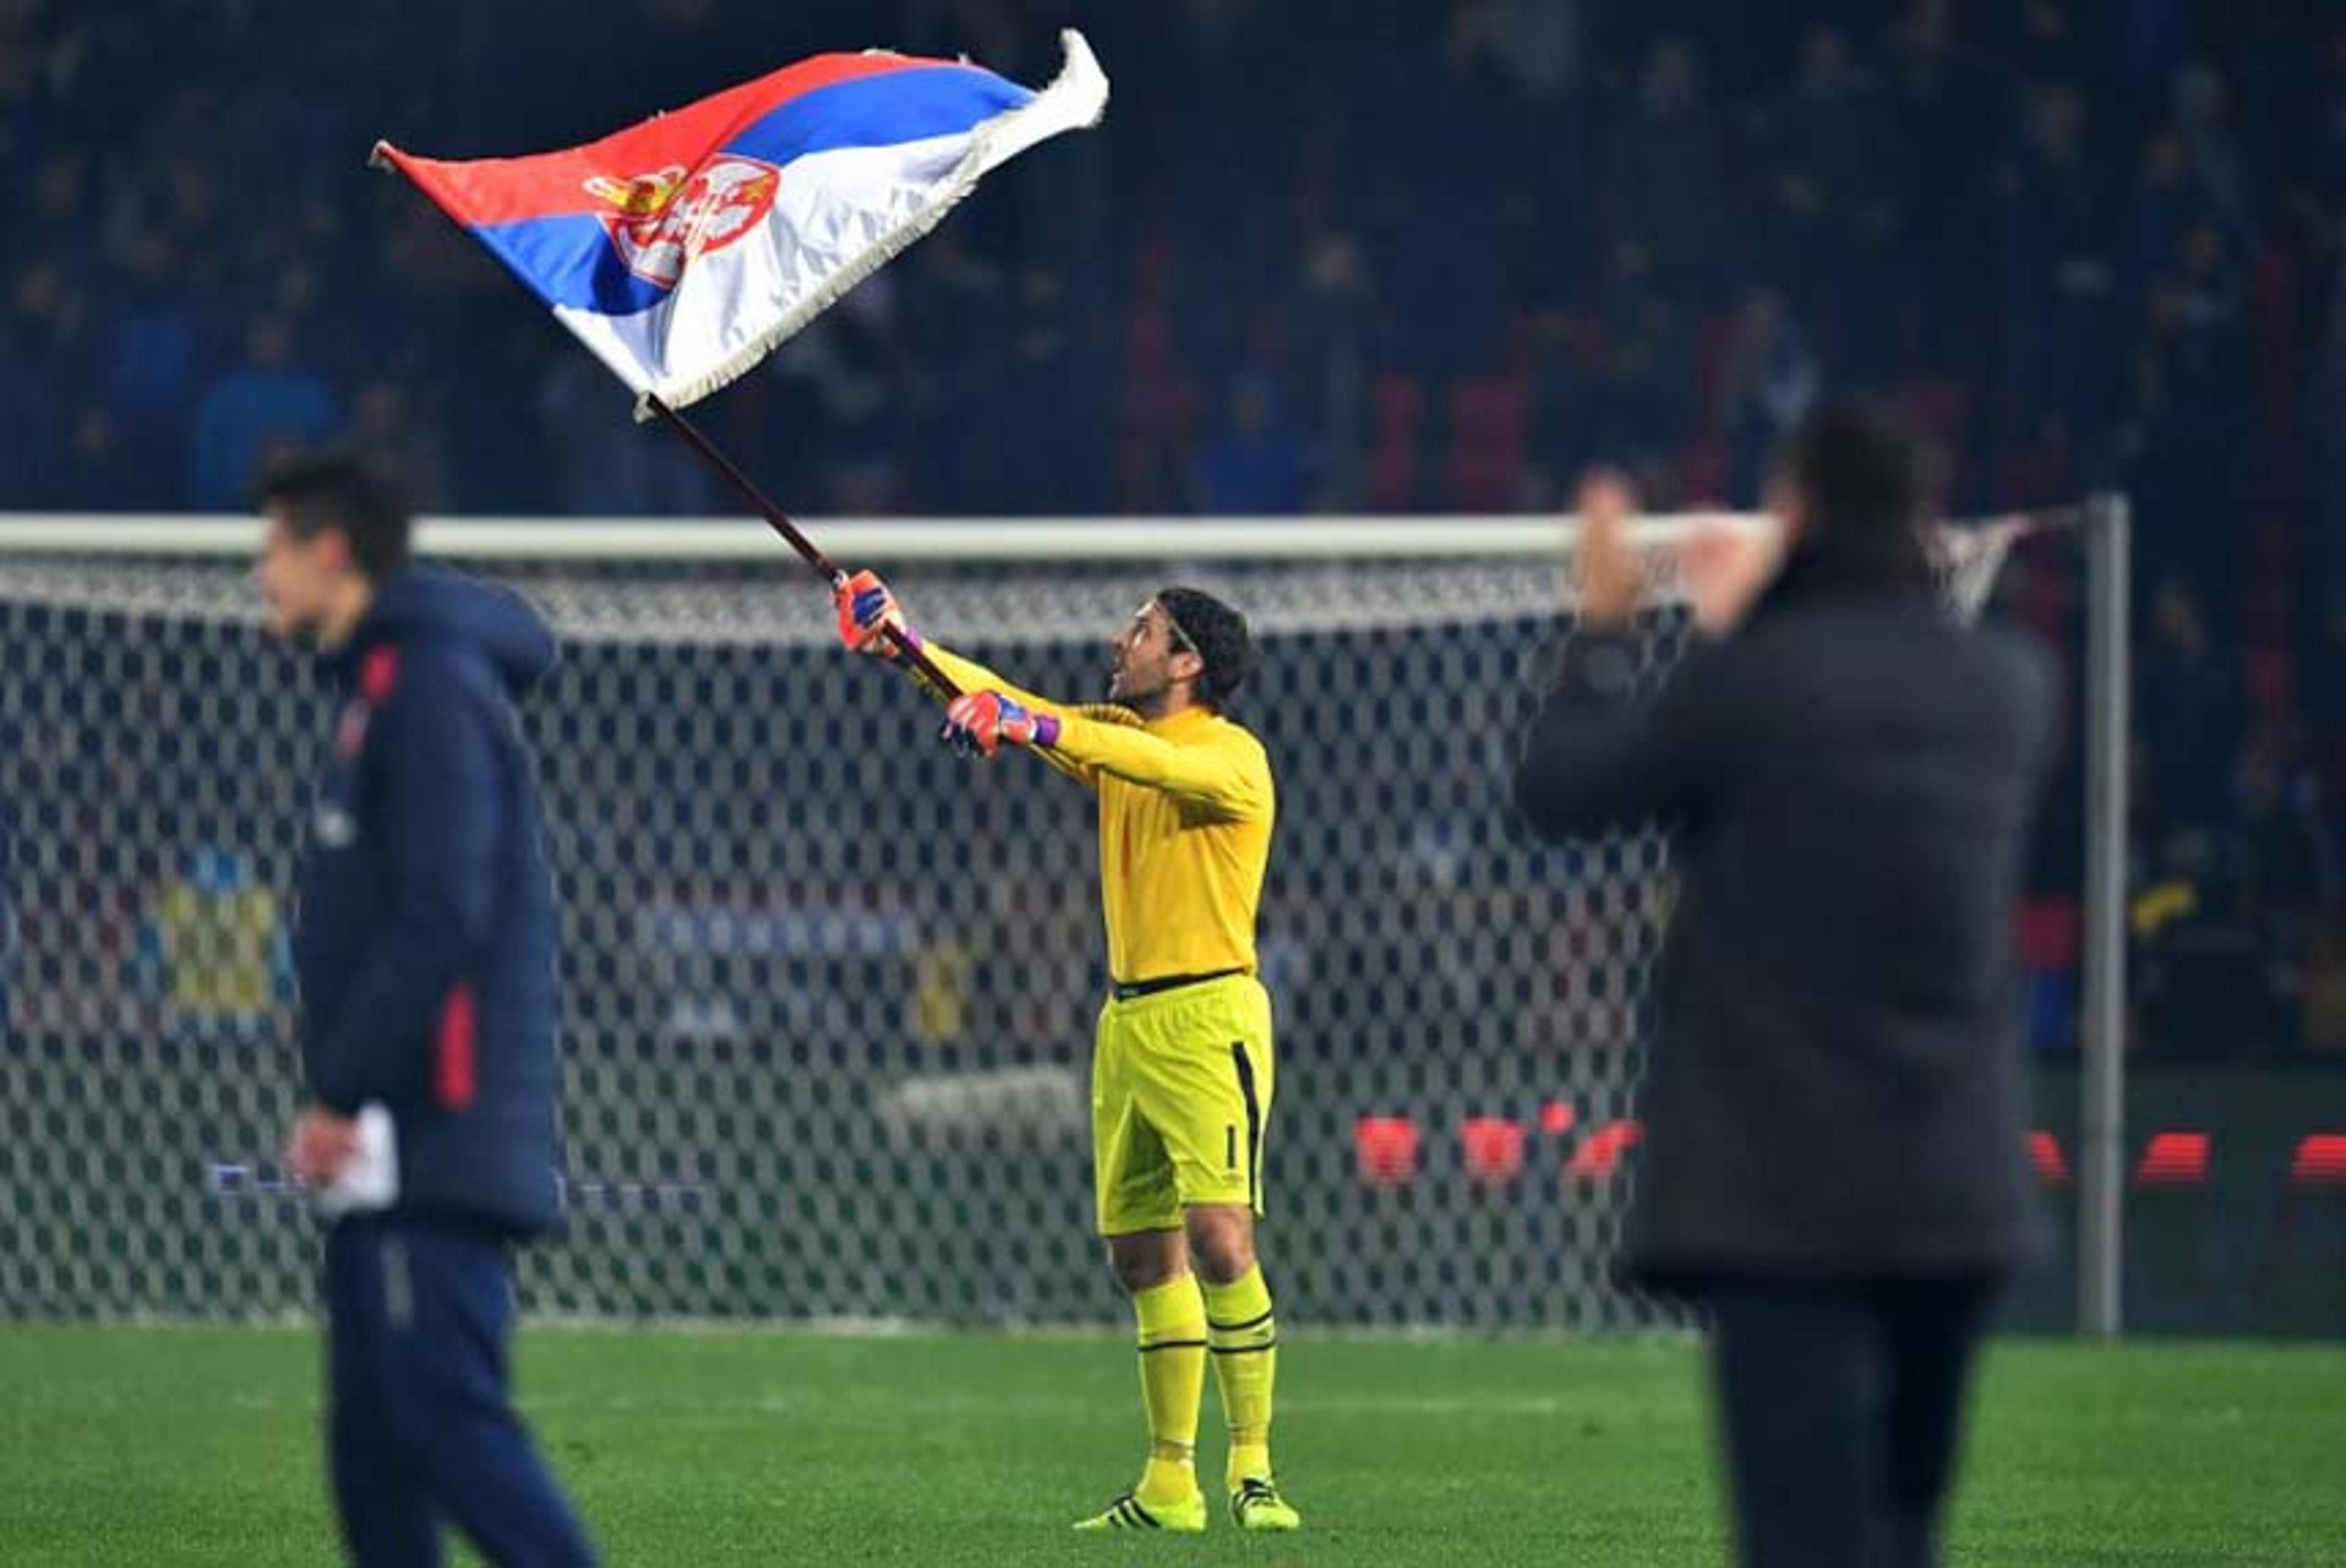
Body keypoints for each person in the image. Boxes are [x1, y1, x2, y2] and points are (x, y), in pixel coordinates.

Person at [1511, 406, 2053, 1568]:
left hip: (1782, 1191)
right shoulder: (2010, 687)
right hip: (1954, 1187)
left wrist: (1610, 628)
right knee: (1905, 1529)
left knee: (1799, 1537)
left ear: (1797, 510)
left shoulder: (1753, 681)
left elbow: (1564, 792)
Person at [836, 572, 1301, 1536]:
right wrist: (906, 644)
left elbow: (1077, 738)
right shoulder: (1121, 742)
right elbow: (1029, 709)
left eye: (1146, 630)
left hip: (1211, 1016)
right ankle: (1172, 1483)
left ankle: (1253, 1469)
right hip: (1126, 1023)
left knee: (1221, 1238)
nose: (1123, 638)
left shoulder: (1231, 757)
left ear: (1189, 663)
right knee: (1140, 1256)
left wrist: (1028, 724)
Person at [257, 451, 595, 1568]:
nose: (262, 574)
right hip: (391, 1137)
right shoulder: (381, 687)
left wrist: (343, 1089)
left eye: (275, 548)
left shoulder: (429, 686)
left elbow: (445, 913)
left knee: (446, 1428)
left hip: (428, 1131)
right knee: (375, 1460)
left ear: (332, 552)